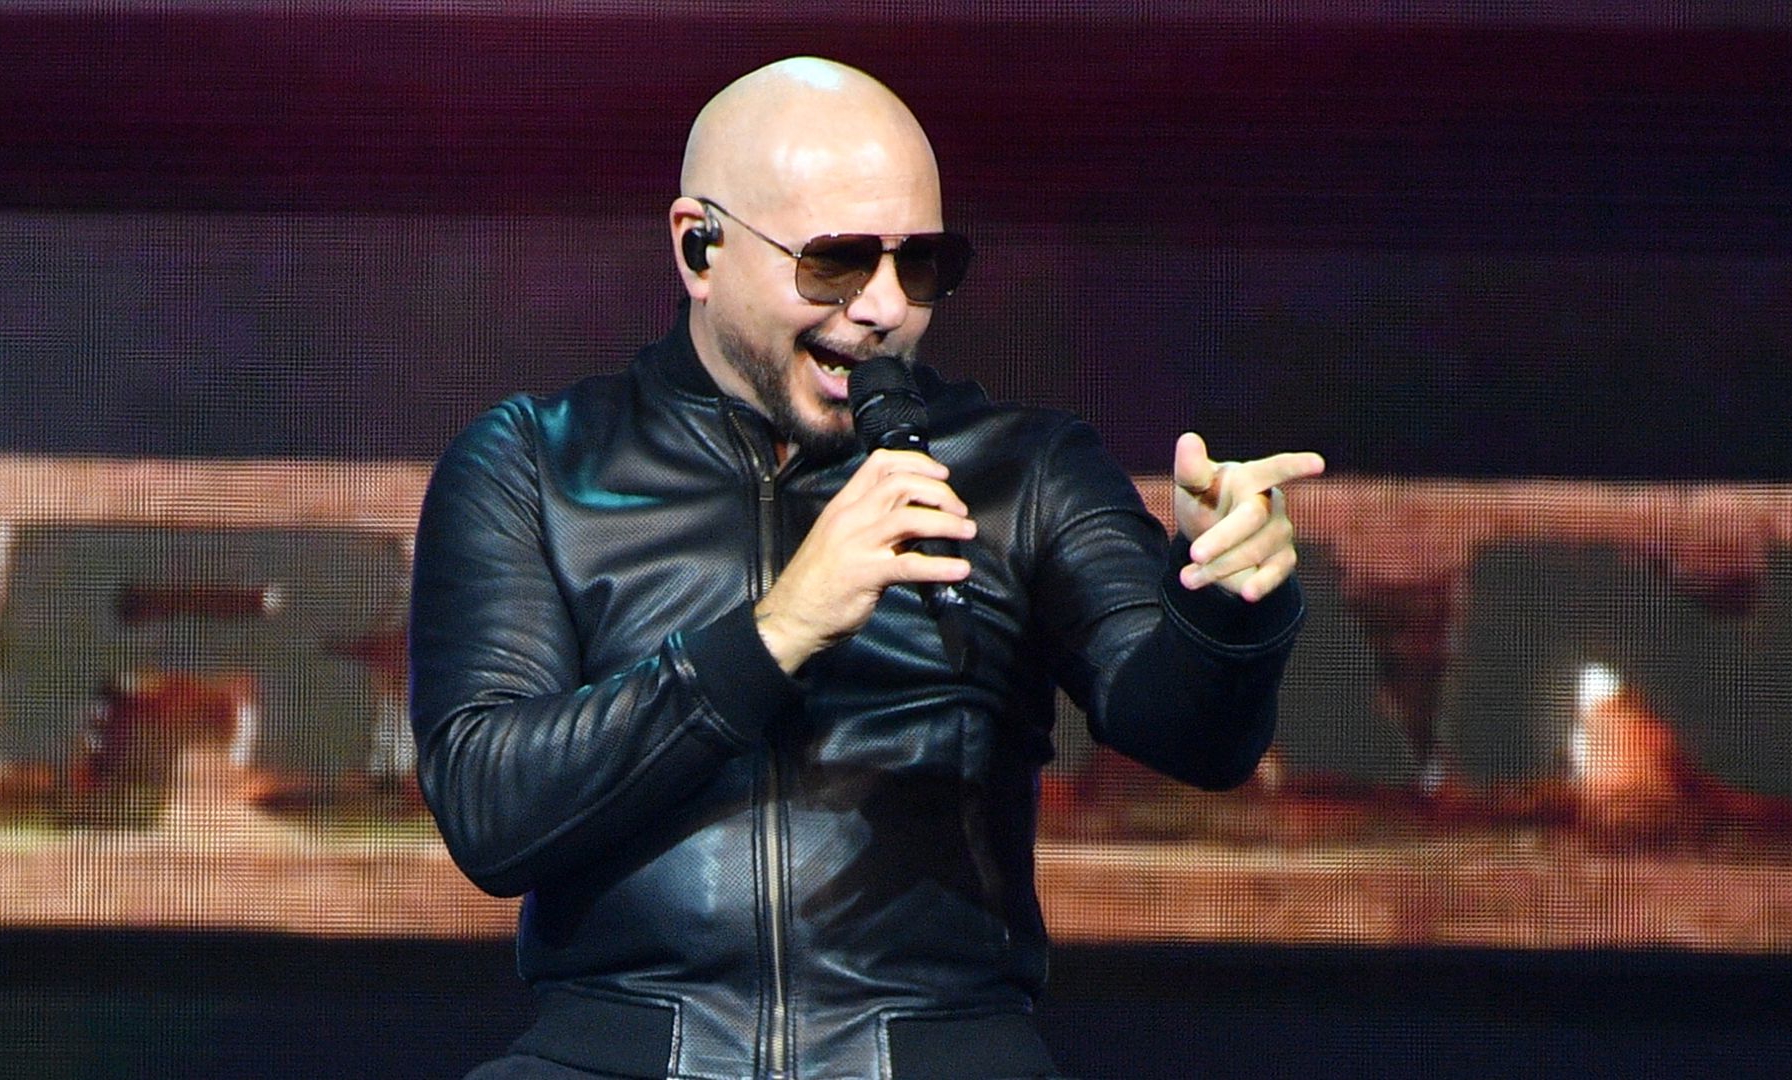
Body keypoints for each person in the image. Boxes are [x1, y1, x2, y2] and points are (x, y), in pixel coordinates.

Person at [410, 56, 1325, 1080]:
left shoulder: (1021, 469)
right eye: (838, 261)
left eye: (921, 264)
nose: (888, 306)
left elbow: (1194, 736)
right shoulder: (537, 465)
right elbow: (492, 812)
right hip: (625, 1045)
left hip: (933, 1050)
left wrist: (1226, 601)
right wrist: (780, 629)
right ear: (698, 246)